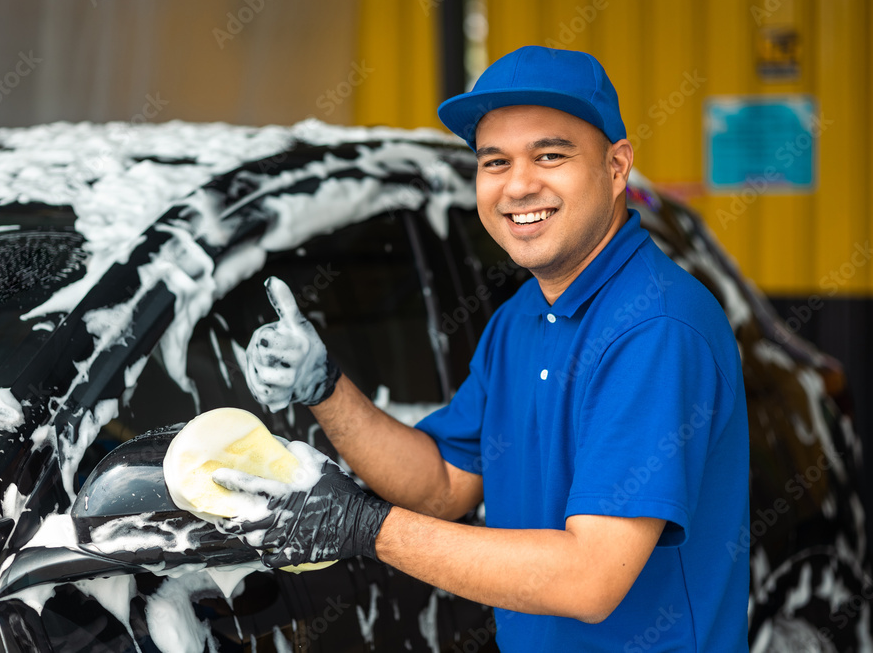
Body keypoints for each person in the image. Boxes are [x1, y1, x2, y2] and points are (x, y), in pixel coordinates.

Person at [210, 45, 750, 651]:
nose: (518, 185)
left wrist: (364, 527)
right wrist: (326, 387)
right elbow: (444, 482)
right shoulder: (521, 319)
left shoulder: (656, 328)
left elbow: (589, 580)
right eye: (495, 162)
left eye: (550, 155)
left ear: (617, 167)